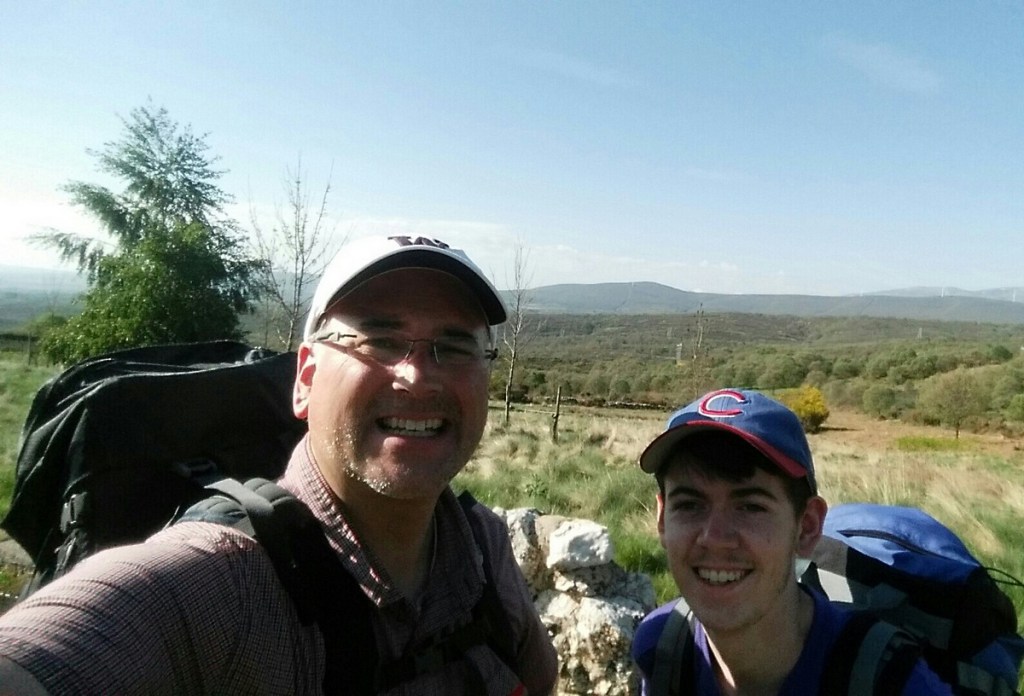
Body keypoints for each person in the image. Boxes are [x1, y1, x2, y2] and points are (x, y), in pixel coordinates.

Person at [0, 235, 558, 695]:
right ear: (306, 379)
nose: (416, 375)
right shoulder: (223, 581)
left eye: (454, 347)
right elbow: (55, 648)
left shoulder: (481, 545)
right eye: (380, 340)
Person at [630, 388, 952, 695]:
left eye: (750, 506)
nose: (714, 538)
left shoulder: (889, 682)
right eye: (689, 505)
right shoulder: (659, 650)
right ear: (662, 519)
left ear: (807, 527)